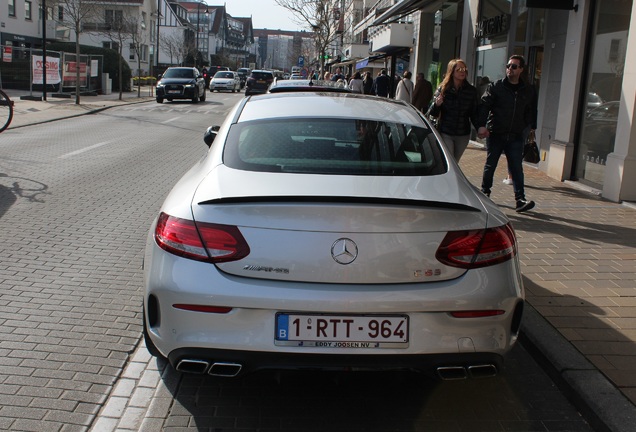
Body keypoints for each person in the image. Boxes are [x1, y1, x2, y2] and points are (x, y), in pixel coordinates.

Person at [477, 55, 538, 213]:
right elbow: (484, 106)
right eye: (509, 66)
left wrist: (531, 127)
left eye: (514, 66)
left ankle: (520, 200)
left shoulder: (528, 89)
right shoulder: (496, 87)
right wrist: (481, 126)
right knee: (491, 165)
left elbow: (531, 109)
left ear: (521, 70)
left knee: (517, 167)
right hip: (496, 132)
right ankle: (485, 194)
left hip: (516, 135)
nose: (510, 69)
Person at [427, 59, 480, 162]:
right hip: (446, 131)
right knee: (449, 160)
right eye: (459, 69)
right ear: (451, 71)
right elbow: (433, 113)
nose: (462, 71)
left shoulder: (471, 91)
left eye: (464, 69)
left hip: (463, 133)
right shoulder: (443, 89)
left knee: (455, 162)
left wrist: (479, 128)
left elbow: (474, 112)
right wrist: (437, 105)